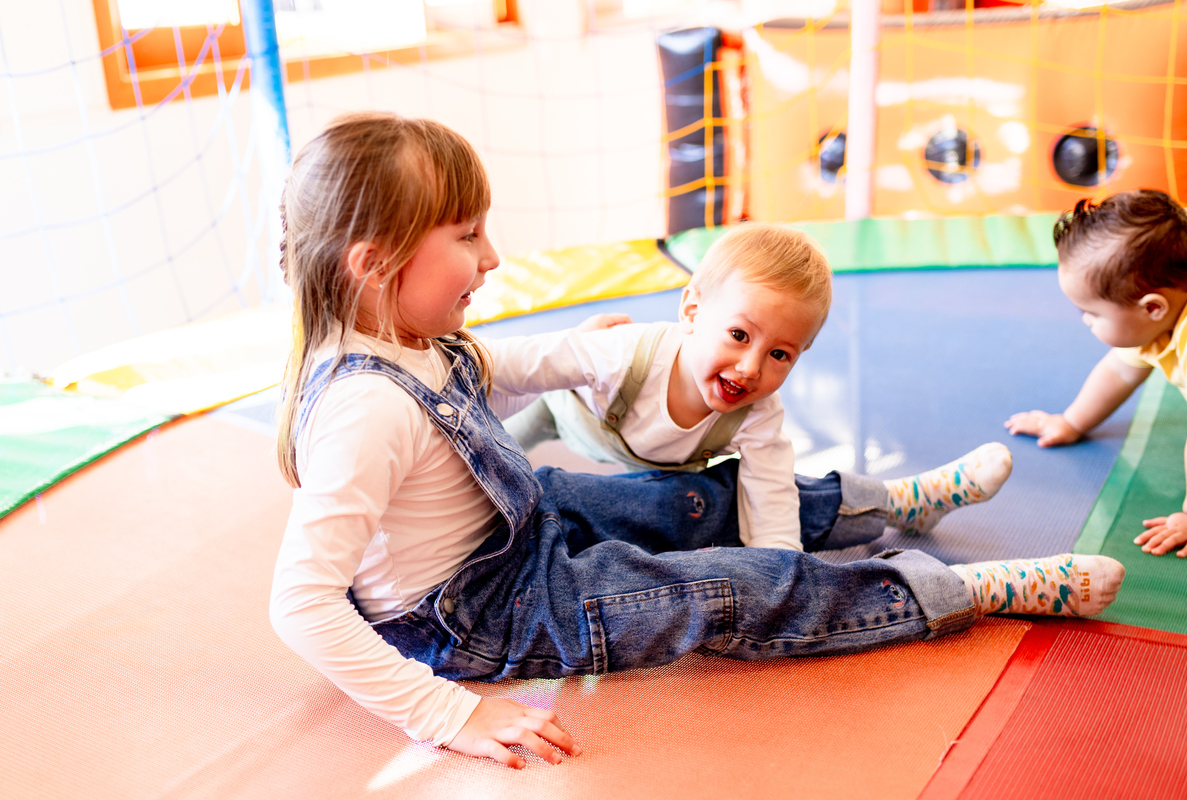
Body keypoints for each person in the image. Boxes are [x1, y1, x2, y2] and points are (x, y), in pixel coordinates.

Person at [270, 111, 1126, 771]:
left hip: (524, 526)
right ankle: (959, 591)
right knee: (730, 587)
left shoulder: (419, 340)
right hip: (491, 613)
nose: (491, 257)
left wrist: (600, 349)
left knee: (693, 500)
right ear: (372, 263)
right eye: (467, 236)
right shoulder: (363, 408)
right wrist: (447, 713)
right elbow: (302, 602)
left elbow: (517, 369)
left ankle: (895, 503)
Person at [498, 223, 1014, 550]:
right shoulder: (623, 353)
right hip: (566, 411)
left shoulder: (757, 411)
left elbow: (771, 498)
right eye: (739, 335)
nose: (749, 368)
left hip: (657, 472)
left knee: (699, 500)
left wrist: (778, 571)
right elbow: (516, 364)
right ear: (692, 312)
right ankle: (896, 501)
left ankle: (896, 503)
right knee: (497, 452)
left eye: (779, 354)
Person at [1006, 190, 1187, 558]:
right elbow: (1119, 370)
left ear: (1153, 308)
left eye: (1093, 313)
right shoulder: (1158, 318)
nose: (1085, 320)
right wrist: (1071, 422)